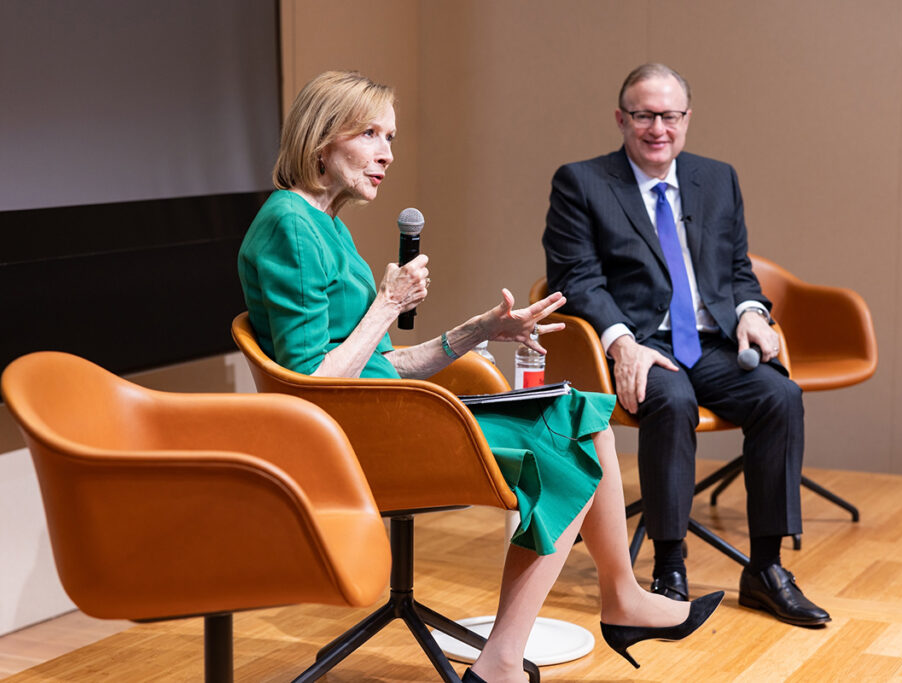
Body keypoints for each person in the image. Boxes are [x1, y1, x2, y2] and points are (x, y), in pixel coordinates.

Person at [238, 71, 722, 683]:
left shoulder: (325, 223)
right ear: (321, 141)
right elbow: (314, 381)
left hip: (383, 413)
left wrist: (479, 330)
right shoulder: (290, 224)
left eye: (391, 136)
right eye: (370, 135)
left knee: (583, 412)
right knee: (564, 452)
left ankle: (618, 599)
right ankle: (503, 662)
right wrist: (388, 304)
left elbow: (378, 363)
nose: (388, 152)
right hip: (356, 438)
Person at [542, 63, 830, 628]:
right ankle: (669, 567)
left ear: (687, 119)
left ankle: (766, 569)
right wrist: (621, 342)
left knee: (781, 397)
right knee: (670, 401)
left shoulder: (717, 178)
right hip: (642, 341)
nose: (658, 128)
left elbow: (737, 268)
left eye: (669, 115)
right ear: (621, 119)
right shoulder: (582, 182)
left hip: (712, 343)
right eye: (644, 115)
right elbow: (574, 278)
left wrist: (750, 311)